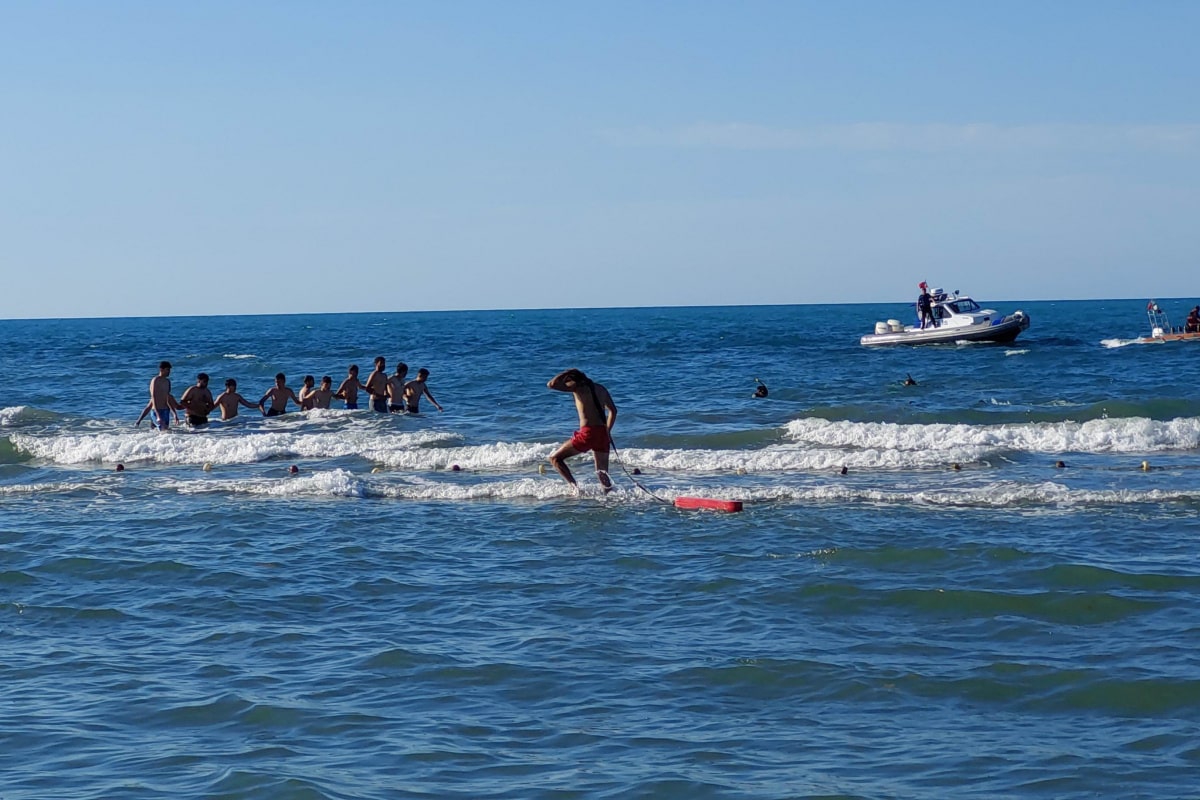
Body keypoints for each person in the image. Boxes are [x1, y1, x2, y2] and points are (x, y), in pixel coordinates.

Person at [547, 368, 618, 493]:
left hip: (588, 433)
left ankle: (575, 489)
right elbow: (613, 411)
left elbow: (551, 384)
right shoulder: (601, 388)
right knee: (603, 475)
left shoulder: (578, 387)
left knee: (555, 459)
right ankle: (610, 499)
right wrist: (607, 430)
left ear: (573, 381)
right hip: (602, 433)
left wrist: (566, 372)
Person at [139, 360, 180, 430]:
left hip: (166, 411)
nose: (169, 372)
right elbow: (153, 398)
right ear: (161, 369)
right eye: (167, 370)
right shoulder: (155, 380)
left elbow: (168, 399)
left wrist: (174, 414)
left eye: (169, 370)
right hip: (156, 410)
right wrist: (158, 415)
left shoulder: (167, 381)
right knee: (163, 430)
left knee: (165, 431)